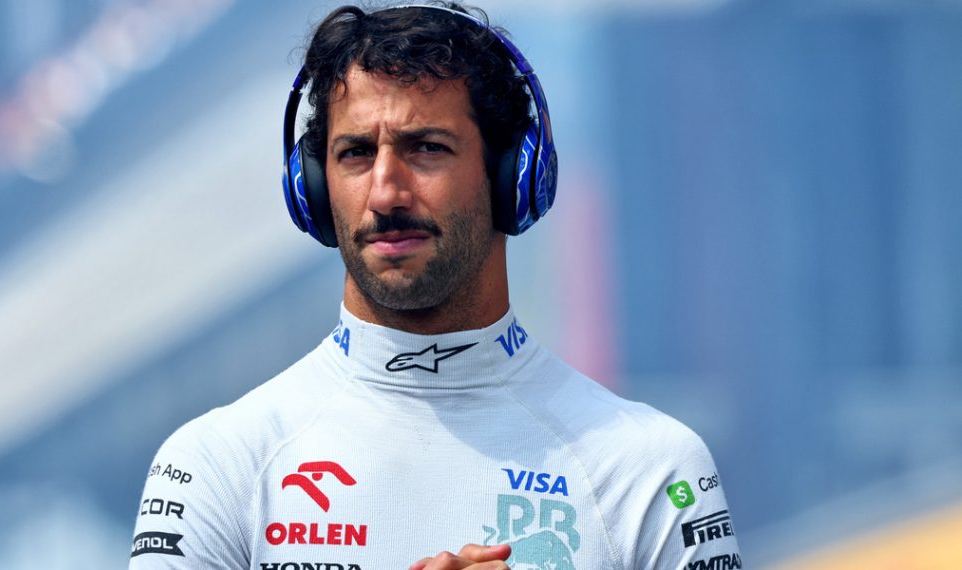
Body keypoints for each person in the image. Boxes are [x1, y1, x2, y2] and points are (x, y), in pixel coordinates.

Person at [130, 3, 741, 569]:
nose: (386, 192)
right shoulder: (215, 465)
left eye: (427, 147)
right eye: (355, 153)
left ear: (512, 177)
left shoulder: (650, 468)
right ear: (312, 189)